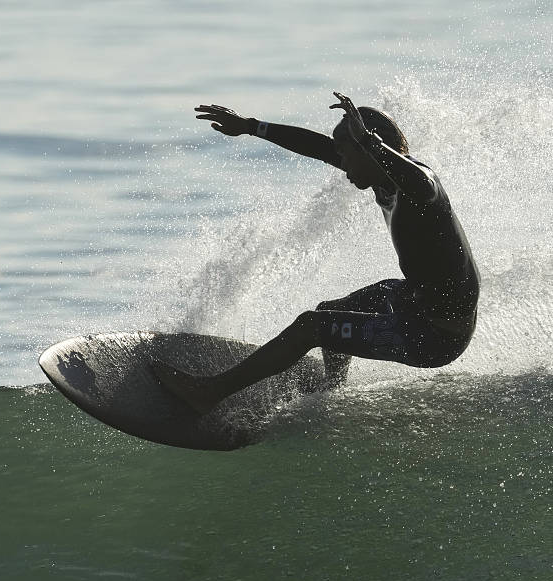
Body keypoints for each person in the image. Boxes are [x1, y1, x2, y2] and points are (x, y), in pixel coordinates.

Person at [152, 92, 479, 413]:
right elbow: (316, 146)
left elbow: (421, 180)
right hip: (415, 300)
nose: (342, 164)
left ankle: (210, 393)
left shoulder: (421, 187)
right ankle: (332, 391)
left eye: (348, 154)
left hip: (436, 335)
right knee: (329, 311)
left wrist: (369, 142)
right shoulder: (379, 175)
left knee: (313, 326)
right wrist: (251, 126)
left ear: (370, 150)